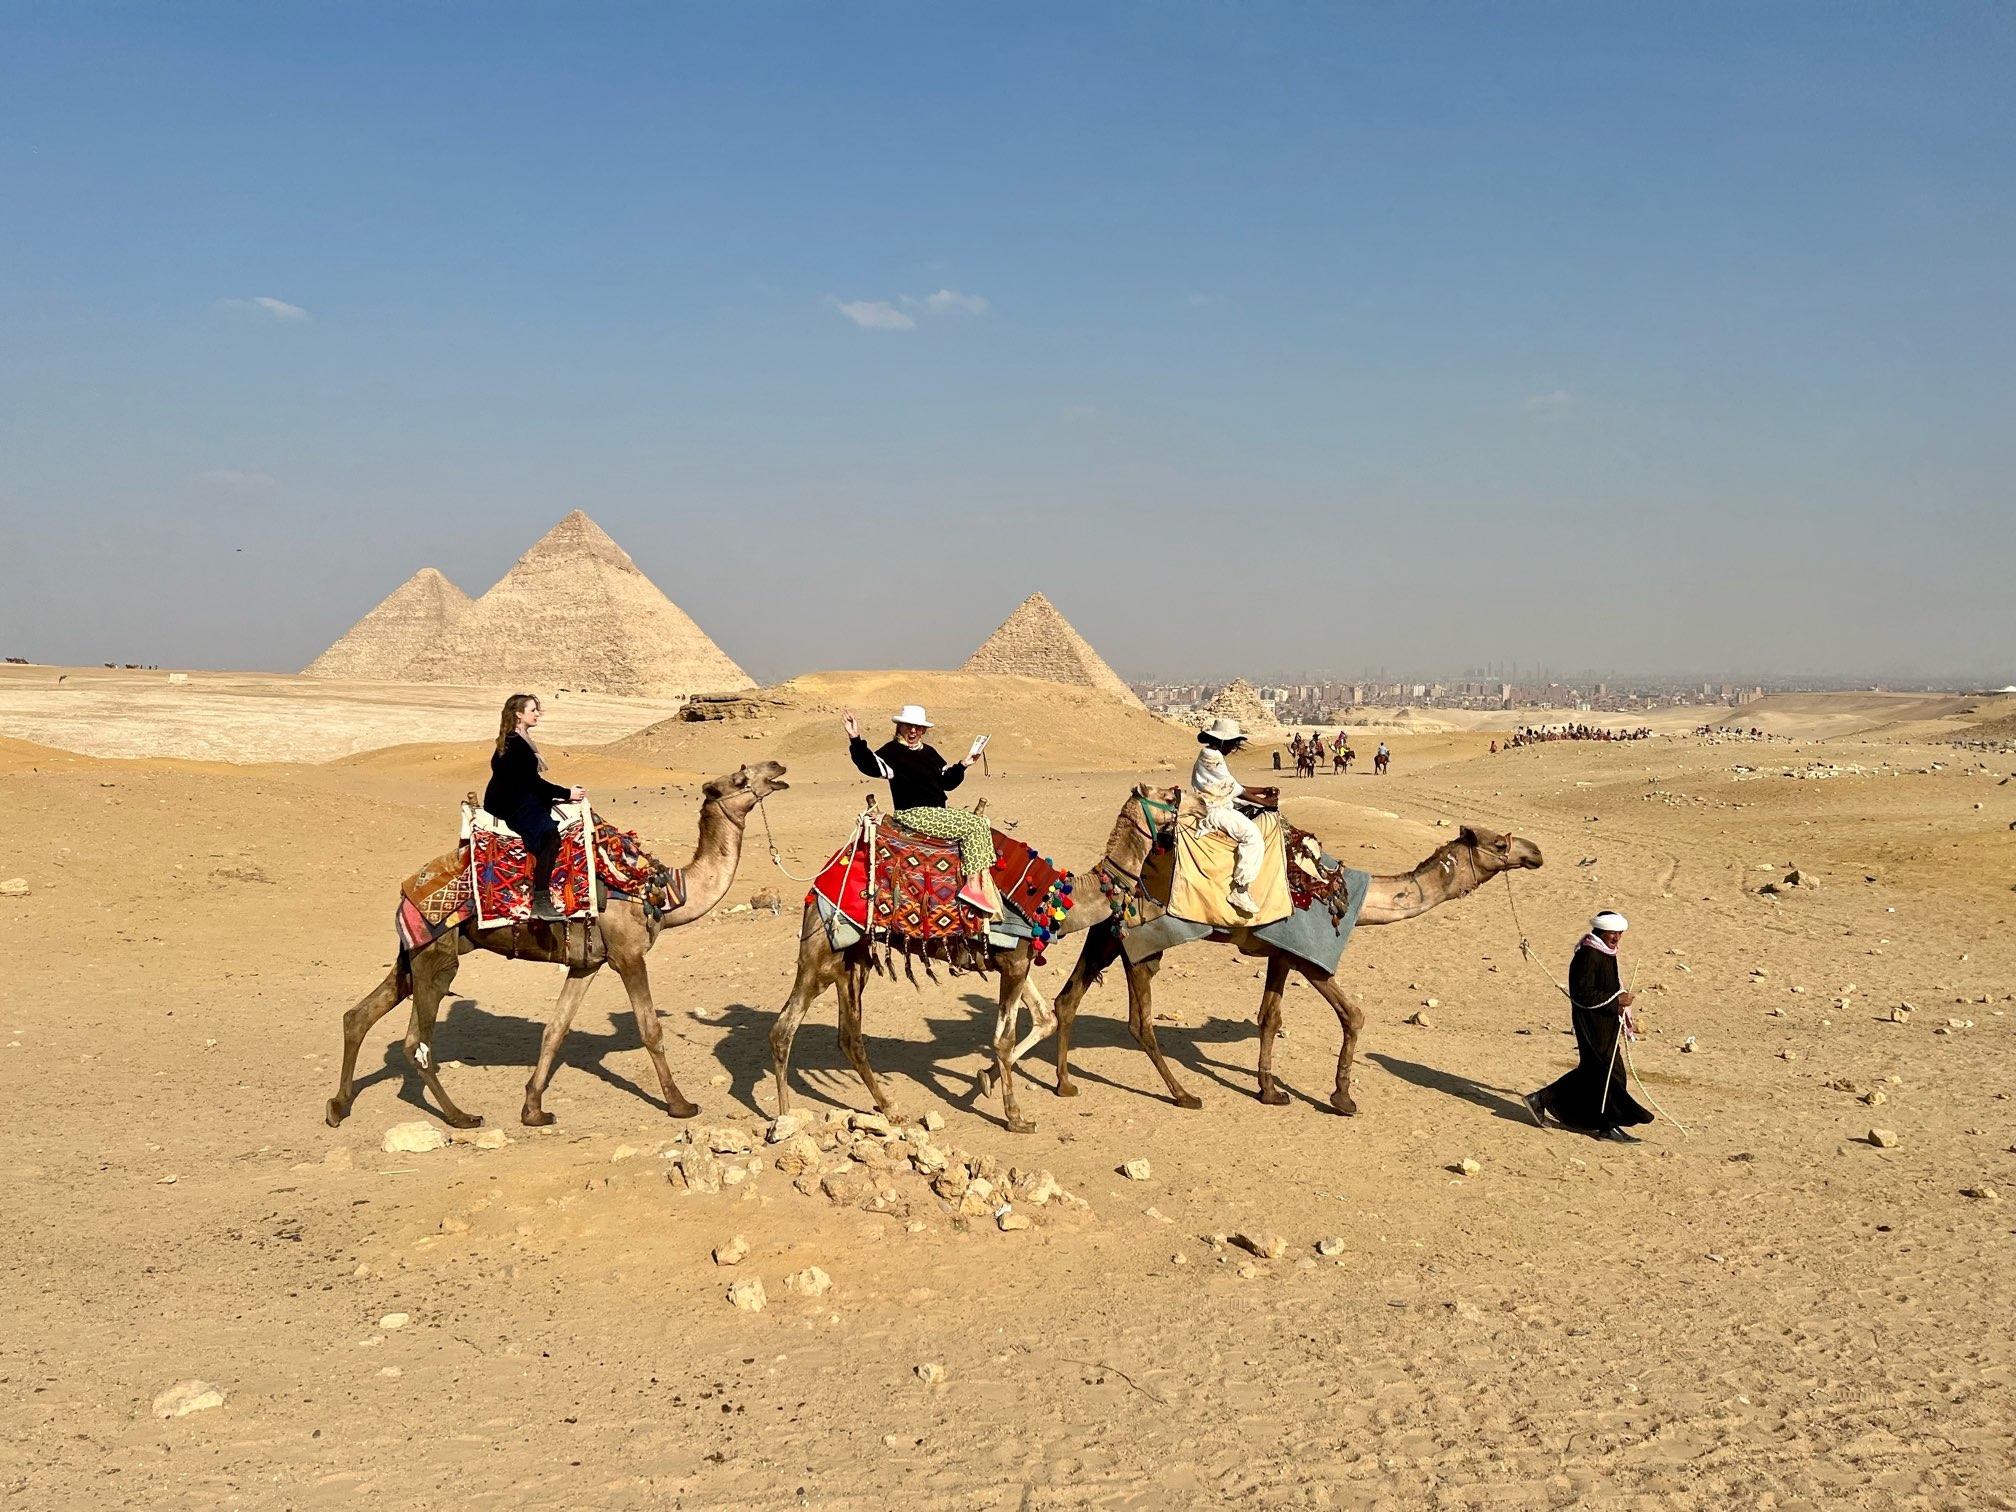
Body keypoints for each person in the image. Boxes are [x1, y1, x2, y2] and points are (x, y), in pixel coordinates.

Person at [846, 704, 993, 904]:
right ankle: (973, 887)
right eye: (908, 726)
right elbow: (869, 765)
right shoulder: (892, 753)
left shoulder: (930, 753)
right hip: (913, 814)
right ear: (900, 727)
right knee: (976, 825)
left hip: (936, 814)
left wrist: (964, 764)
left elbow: (946, 783)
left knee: (983, 823)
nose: (912, 731)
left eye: (917, 727)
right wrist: (855, 739)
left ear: (923, 730)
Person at [1524, 911, 1652, 1142]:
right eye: (1612, 932)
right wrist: (1616, 1002)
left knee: (1597, 1073)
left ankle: (1542, 1100)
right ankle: (1607, 1126)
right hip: (1592, 1024)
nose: (1616, 937)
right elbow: (1583, 994)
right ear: (1600, 931)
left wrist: (1618, 1005)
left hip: (1606, 1022)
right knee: (1608, 1074)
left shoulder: (1605, 952)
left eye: (1619, 933)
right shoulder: (1589, 955)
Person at [483, 693, 586, 920]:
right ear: (519, 714)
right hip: (512, 804)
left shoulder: (517, 739)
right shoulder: (516, 744)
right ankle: (541, 900)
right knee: (551, 836)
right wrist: (567, 793)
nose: (537, 714)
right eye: (533, 710)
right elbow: (532, 782)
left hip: (514, 797)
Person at [1190, 717, 1262, 916]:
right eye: (1231, 743)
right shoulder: (1211, 756)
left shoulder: (1212, 754)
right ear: (1222, 741)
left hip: (1221, 803)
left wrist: (1263, 791)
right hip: (1213, 810)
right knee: (1253, 837)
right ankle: (1241, 889)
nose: (1233, 748)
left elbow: (1232, 786)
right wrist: (1264, 801)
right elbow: (1232, 787)